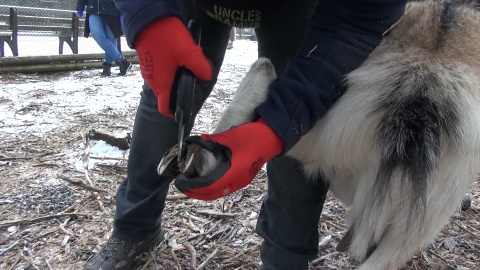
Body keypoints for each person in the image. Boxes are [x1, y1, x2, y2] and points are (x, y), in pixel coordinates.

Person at [83, 0, 407, 269]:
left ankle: (285, 256)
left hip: (294, 8)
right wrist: (149, 17)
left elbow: (353, 27)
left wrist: (272, 132)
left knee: (302, 125)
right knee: (166, 99)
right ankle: (134, 228)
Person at [76, 0, 132, 76]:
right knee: (98, 36)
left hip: (111, 10)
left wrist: (122, 11)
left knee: (110, 39)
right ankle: (122, 61)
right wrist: (80, 6)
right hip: (93, 9)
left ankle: (107, 67)